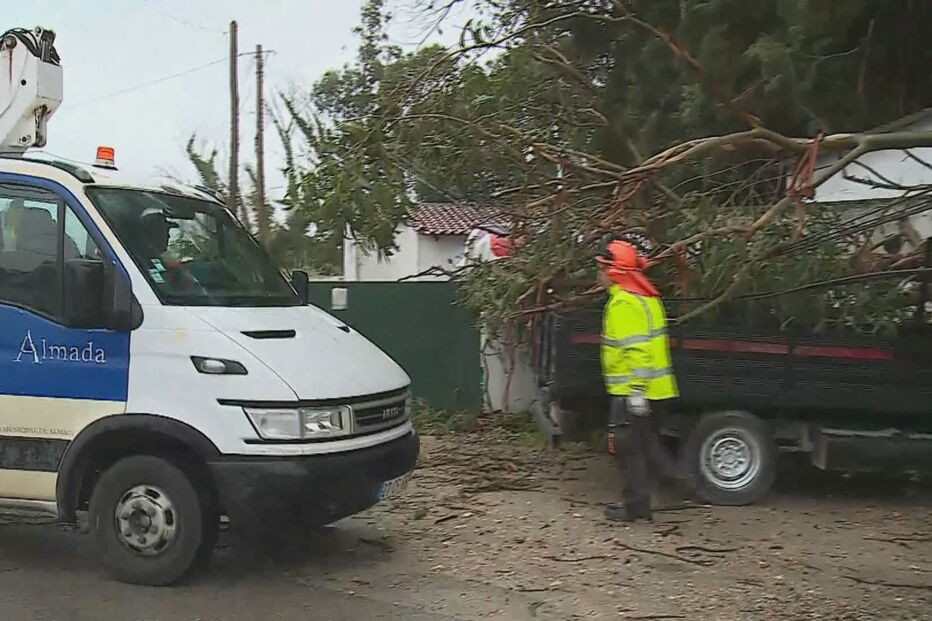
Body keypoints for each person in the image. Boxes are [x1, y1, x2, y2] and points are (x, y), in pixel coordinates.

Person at [596, 235, 685, 522]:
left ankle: (638, 505)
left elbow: (638, 350)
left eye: (601, 267)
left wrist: (636, 391)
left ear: (614, 271)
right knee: (646, 447)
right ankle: (676, 484)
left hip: (632, 392)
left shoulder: (624, 303)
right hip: (654, 390)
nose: (597, 273)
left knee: (627, 450)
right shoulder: (647, 298)